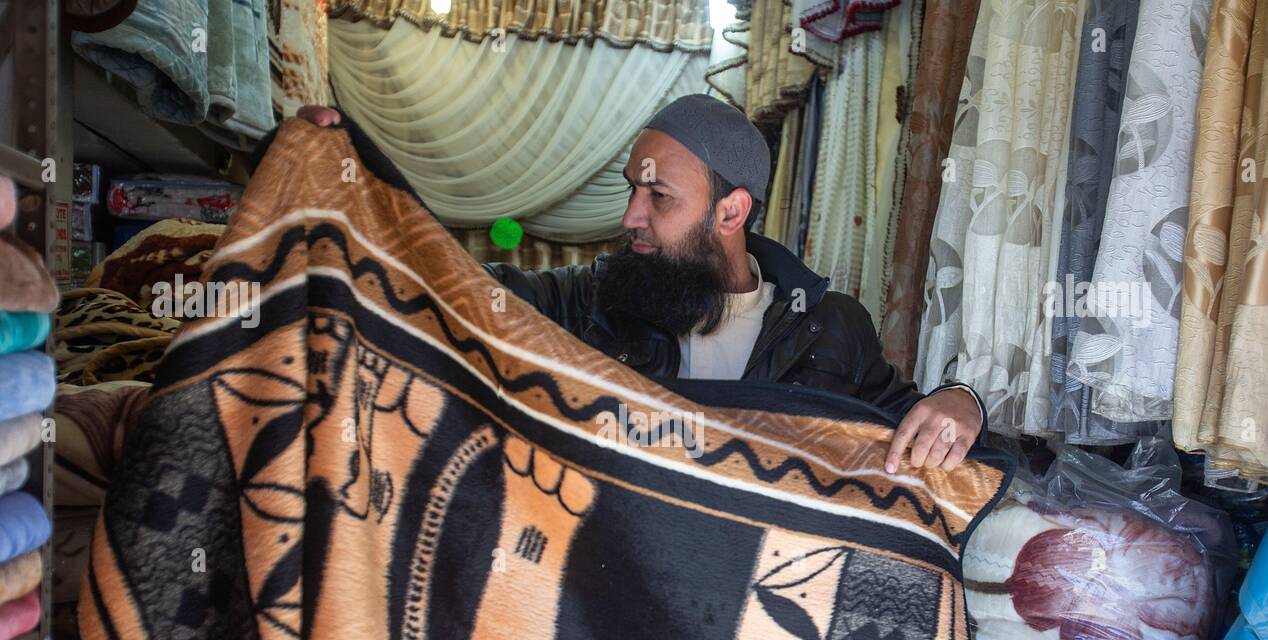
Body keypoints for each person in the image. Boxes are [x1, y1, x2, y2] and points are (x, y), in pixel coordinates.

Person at [297, 96, 985, 472]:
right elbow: (449, 282)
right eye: (634, 191)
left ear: (731, 211)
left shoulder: (831, 325)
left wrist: (963, 401)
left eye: (659, 197)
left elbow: (914, 428)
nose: (631, 218)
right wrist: (356, 167)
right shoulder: (590, 303)